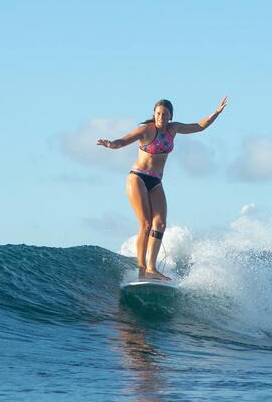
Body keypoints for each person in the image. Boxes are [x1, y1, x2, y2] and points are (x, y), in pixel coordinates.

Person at [97, 96, 228, 280]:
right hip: (137, 178)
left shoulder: (174, 130)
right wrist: (111, 144)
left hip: (156, 182)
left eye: (165, 114)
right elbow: (125, 140)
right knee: (145, 224)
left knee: (160, 224)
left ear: (170, 116)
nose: (161, 117)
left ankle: (151, 268)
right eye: (158, 113)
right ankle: (142, 269)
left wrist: (216, 112)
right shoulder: (146, 130)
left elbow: (199, 126)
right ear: (154, 114)